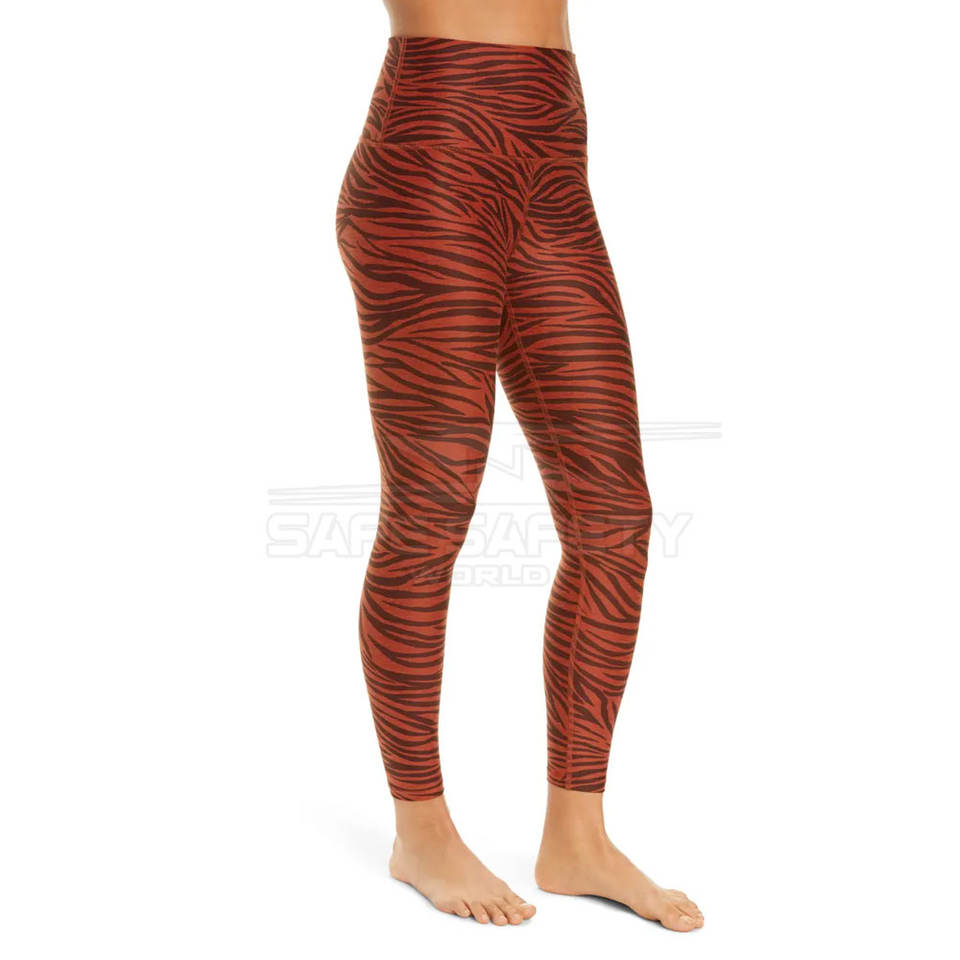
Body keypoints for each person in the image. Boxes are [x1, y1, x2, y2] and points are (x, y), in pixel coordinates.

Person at [335, 0, 703, 930]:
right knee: (431, 511)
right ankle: (420, 830)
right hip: (431, 150)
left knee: (615, 519)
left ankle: (577, 837)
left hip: (554, 156)